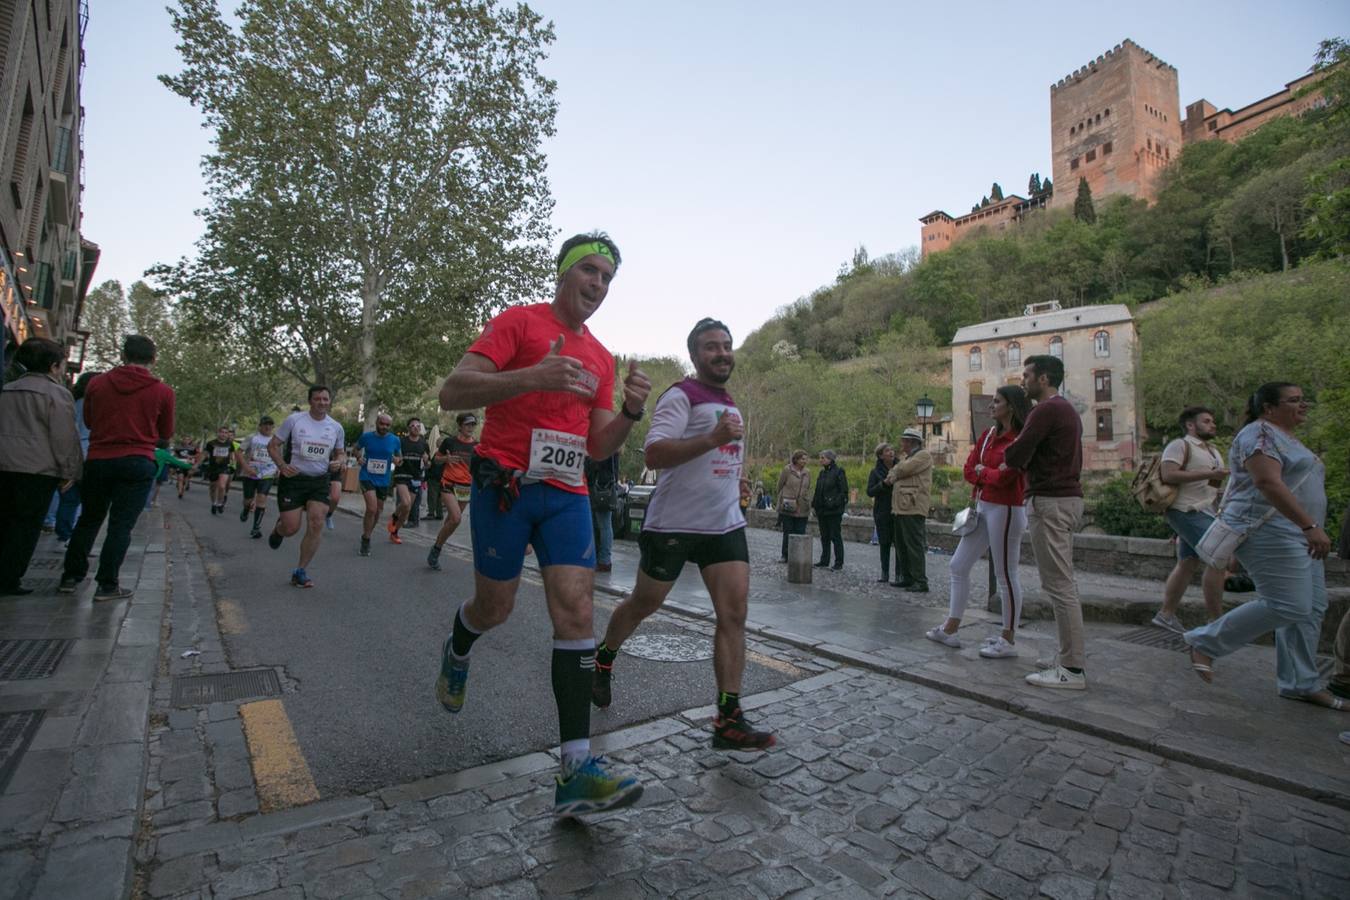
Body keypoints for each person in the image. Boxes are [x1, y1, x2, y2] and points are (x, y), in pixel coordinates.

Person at [433, 232, 651, 816]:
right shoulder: (518, 323)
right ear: (564, 273)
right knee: (495, 608)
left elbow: (599, 447)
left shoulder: (602, 358)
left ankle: (574, 768)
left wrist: (629, 411)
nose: (599, 285)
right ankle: (459, 645)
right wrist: (533, 376)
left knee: (578, 613)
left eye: (608, 278)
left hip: (567, 493)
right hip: (504, 489)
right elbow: (452, 392)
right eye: (590, 271)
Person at [591, 318, 774, 751]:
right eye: (711, 347)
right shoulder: (680, 395)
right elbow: (654, 453)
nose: (722, 353)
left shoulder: (731, 402)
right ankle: (603, 657)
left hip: (723, 525)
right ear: (694, 356)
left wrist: (736, 480)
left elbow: (722, 458)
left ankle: (728, 717)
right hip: (672, 524)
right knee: (644, 604)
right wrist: (712, 438)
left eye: (727, 346)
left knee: (734, 615)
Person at [1184, 383, 1339, 712]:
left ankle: (1300, 682)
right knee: (1291, 605)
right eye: (1293, 400)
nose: (1303, 405)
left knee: (1311, 608)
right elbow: (1266, 482)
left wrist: (1310, 529)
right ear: (1268, 408)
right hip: (1271, 531)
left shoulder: (1285, 437)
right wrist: (1309, 525)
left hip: (1298, 534)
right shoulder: (1259, 434)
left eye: (1302, 398)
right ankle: (1205, 642)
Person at [59, 335, 176, 600]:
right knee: (120, 526)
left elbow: (88, 421)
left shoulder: (97, 384)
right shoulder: (163, 392)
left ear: (123, 356)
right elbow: (166, 432)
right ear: (153, 359)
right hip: (138, 461)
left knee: (89, 519)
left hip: (100, 458)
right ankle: (107, 584)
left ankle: (70, 576)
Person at [925, 386, 1031, 657]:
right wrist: (988, 472)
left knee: (1006, 574)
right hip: (984, 506)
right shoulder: (988, 436)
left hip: (1007, 508)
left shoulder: (1019, 439)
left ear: (1011, 406)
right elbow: (969, 469)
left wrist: (985, 472)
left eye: (997, 402)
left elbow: (1008, 477)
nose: (991, 406)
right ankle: (950, 628)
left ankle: (1007, 639)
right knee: (958, 564)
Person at [1003, 354, 1087, 690]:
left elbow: (1015, 455)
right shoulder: (1064, 410)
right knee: (1062, 584)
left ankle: (1071, 669)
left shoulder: (1047, 409)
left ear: (1045, 378)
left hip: (1050, 501)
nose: (1023, 381)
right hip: (1064, 499)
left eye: (1027, 375)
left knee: (1059, 586)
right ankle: (1068, 657)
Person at [0, 338, 82, 596]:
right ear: (54, 366)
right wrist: (70, 470)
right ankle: (9, 578)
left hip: (4, 464)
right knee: (26, 526)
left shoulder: (8, 389)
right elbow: (63, 437)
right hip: (37, 470)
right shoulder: (57, 394)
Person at [1151, 406, 1228, 632]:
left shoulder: (1213, 451)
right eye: (1206, 421)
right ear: (1190, 425)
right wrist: (1210, 475)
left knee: (1188, 562)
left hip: (1205, 511)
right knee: (1218, 558)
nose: (1212, 424)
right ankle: (1216, 619)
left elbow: (1209, 486)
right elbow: (1168, 474)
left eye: (1212, 421)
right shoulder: (1179, 445)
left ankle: (1166, 614)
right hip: (1186, 511)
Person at [266, 385, 346, 588]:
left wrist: (340, 461)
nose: (322, 402)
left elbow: (340, 453)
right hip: (294, 479)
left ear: (330, 402)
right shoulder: (295, 421)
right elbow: (273, 445)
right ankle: (279, 530)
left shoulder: (336, 427)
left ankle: (300, 571)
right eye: (317, 399)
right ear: (310, 401)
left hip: (319, 480)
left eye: (325, 399)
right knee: (291, 528)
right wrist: (282, 466)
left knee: (317, 522)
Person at [426, 412, 478, 571]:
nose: (470, 427)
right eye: (467, 424)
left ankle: (436, 547)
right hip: (448, 483)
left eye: (473, 425)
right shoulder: (449, 442)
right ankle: (436, 550)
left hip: (466, 487)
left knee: (451, 521)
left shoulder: (477, 446)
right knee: (456, 519)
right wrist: (446, 460)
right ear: (460, 426)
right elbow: (436, 459)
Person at [886, 428, 933, 592]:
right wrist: (895, 472)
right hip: (902, 507)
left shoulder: (923, 456)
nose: (902, 444)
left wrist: (895, 472)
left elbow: (901, 470)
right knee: (901, 545)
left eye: (904, 440)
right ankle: (907, 577)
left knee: (913, 545)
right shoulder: (908, 458)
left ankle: (920, 580)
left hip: (913, 506)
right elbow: (894, 471)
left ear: (912, 442)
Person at [53, 370, 98, 542]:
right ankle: (70, 533)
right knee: (81, 498)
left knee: (67, 496)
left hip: (69, 449)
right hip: (87, 451)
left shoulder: (71, 401)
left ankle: (62, 530)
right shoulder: (93, 403)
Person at [354, 413, 402, 557]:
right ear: (376, 423)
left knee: (378, 511)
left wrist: (397, 460)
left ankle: (367, 534)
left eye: (387, 425)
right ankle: (366, 539)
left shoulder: (395, 440)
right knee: (372, 508)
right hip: (366, 476)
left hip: (383, 480)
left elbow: (400, 458)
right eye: (382, 424)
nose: (384, 427)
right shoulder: (367, 437)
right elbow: (356, 449)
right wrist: (359, 457)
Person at [235, 416, 279, 538]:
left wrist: (279, 468)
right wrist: (246, 467)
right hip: (251, 473)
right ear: (260, 426)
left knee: (261, 498)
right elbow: (238, 452)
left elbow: (278, 455)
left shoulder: (276, 440)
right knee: (248, 500)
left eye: (270, 425)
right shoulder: (252, 438)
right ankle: (245, 509)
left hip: (267, 474)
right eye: (265, 424)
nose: (268, 427)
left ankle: (256, 528)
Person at [388, 417, 429, 543]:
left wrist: (427, 461)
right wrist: (394, 459)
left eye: (418, 426)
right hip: (402, 475)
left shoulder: (424, 443)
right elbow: (390, 454)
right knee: (405, 503)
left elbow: (428, 465)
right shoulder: (401, 441)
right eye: (412, 426)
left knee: (407, 508)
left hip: (416, 477)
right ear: (408, 428)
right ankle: (394, 518)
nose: (415, 428)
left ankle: (394, 532)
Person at [865, 443, 897, 583]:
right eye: (887, 450)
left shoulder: (901, 468)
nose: (891, 452)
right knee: (884, 543)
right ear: (880, 455)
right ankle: (885, 573)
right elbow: (870, 491)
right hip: (882, 511)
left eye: (892, 450)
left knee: (899, 544)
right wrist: (883, 484)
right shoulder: (875, 472)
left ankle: (899, 574)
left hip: (899, 510)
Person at [812, 450, 848, 569]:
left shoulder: (838, 472)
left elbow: (843, 491)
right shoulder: (822, 473)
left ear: (830, 459)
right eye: (820, 457)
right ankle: (824, 559)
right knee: (824, 536)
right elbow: (818, 491)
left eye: (823, 458)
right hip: (822, 510)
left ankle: (838, 562)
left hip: (833, 510)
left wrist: (834, 503)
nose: (821, 460)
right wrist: (815, 505)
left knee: (835, 536)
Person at [586, 452, 620, 574]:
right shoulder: (613, 447)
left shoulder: (607, 449)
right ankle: (600, 559)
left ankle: (604, 560)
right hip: (602, 487)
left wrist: (587, 457)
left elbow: (596, 464)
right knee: (599, 525)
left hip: (601, 488)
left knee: (604, 525)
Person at [776, 450, 811, 562]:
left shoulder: (807, 472)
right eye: (802, 459)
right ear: (796, 459)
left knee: (800, 532)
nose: (805, 461)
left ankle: (797, 555)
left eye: (806, 459)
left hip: (802, 506)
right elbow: (780, 485)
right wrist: (784, 498)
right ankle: (785, 555)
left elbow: (808, 487)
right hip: (788, 505)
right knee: (788, 531)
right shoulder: (787, 470)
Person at [198, 425, 236, 515]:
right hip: (213, 467)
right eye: (222, 432)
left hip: (224, 467)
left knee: (222, 486)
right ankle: (214, 503)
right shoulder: (211, 443)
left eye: (226, 433)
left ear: (227, 435)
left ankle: (220, 503)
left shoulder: (230, 444)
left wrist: (233, 462)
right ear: (218, 433)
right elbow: (204, 454)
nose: (223, 434)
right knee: (213, 487)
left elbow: (232, 454)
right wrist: (198, 463)